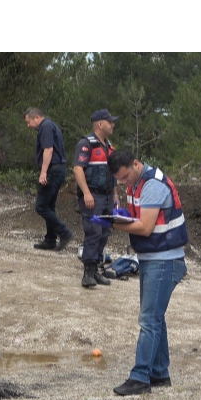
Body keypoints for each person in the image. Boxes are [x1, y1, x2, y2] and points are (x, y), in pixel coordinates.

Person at [95, 150, 188, 396]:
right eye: (120, 180)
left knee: (149, 320)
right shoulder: (135, 182)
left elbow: (145, 228)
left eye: (125, 176)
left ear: (135, 164)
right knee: (155, 318)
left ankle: (140, 377)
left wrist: (112, 222)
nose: (124, 182)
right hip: (153, 258)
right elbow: (139, 218)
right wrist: (121, 216)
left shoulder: (152, 185)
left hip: (164, 260)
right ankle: (159, 372)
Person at [73, 109, 119, 287]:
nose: (113, 125)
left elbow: (113, 173)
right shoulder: (86, 144)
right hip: (93, 195)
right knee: (93, 232)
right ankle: (88, 273)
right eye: (110, 122)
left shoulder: (108, 146)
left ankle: (98, 268)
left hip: (107, 196)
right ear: (100, 124)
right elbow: (78, 169)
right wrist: (86, 193)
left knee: (104, 233)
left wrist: (115, 194)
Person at [24, 107, 74, 251]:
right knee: (49, 206)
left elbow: (48, 149)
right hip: (58, 170)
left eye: (29, 122)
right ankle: (50, 239)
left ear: (37, 118)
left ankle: (64, 233)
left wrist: (43, 172)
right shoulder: (52, 126)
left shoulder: (45, 127)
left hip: (53, 171)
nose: (28, 126)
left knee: (41, 206)